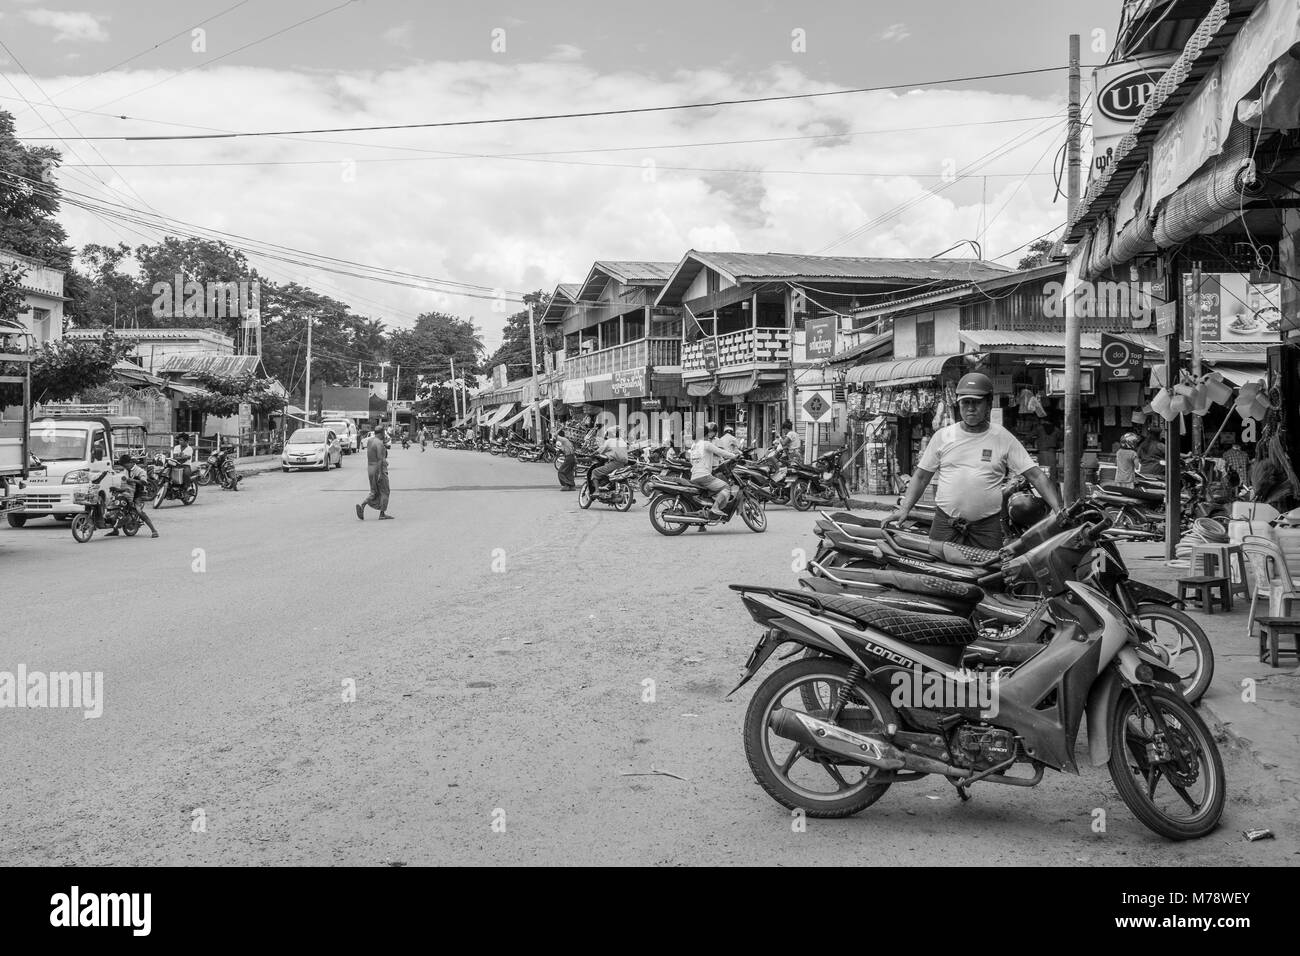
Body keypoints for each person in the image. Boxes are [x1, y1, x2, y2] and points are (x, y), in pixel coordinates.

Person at [885, 372, 1062, 551]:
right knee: (939, 574)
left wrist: (1059, 510)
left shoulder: (1002, 437)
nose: (970, 408)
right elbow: (921, 477)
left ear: (988, 403)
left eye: (976, 402)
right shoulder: (943, 436)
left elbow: (1036, 476)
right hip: (946, 524)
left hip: (987, 528)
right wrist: (904, 509)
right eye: (965, 402)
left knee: (988, 575)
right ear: (959, 403)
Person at [690, 422, 740, 523]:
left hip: (694, 476)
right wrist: (733, 456)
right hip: (704, 475)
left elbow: (692, 461)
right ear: (706, 434)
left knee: (706, 495)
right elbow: (720, 452)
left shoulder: (693, 446)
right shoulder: (706, 444)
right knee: (726, 487)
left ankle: (704, 519)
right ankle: (715, 507)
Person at [105, 452, 159, 539]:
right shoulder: (126, 470)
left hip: (138, 494)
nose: (124, 467)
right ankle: (115, 529)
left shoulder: (140, 471)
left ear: (130, 462)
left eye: (125, 465)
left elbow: (144, 482)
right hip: (128, 492)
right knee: (113, 506)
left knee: (139, 511)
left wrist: (133, 480)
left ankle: (154, 530)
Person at [356, 424, 393, 520]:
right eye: (384, 433)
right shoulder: (379, 443)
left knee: (374, 491)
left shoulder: (370, 441)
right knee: (385, 491)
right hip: (378, 469)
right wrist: (380, 473)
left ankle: (363, 505)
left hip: (370, 469)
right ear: (381, 433)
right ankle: (382, 513)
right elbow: (380, 459)